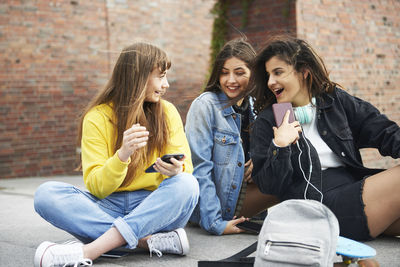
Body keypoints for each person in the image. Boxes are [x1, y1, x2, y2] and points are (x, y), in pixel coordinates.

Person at [33, 43, 199, 266]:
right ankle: (147, 242)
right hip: (108, 204)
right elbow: (96, 187)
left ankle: (93, 249)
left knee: (187, 183)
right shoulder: (97, 117)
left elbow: (186, 168)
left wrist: (177, 170)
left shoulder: (167, 112)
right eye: (160, 77)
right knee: (46, 194)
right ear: (137, 78)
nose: (166, 84)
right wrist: (122, 155)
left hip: (153, 206)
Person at [249, 35, 400, 242]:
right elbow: (269, 186)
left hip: (354, 191)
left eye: (278, 72)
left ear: (304, 72)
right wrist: (280, 146)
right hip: (320, 208)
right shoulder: (268, 121)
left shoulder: (335, 101)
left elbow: (383, 131)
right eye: (268, 75)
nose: (270, 82)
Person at [185, 39, 279, 235]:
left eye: (239, 73)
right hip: (217, 206)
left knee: (293, 165)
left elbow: (289, 138)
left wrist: (262, 160)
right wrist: (215, 223)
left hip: (242, 193)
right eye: (224, 72)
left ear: (254, 74)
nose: (230, 80)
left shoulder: (256, 106)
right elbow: (200, 168)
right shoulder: (205, 106)